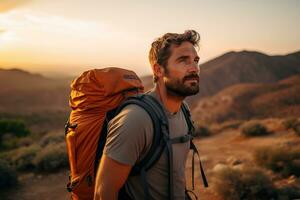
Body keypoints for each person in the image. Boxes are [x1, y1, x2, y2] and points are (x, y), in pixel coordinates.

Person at [94, 30, 201, 200]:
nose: (194, 68)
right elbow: (102, 193)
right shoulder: (136, 119)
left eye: (195, 60)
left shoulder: (183, 110)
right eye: (183, 60)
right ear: (158, 70)